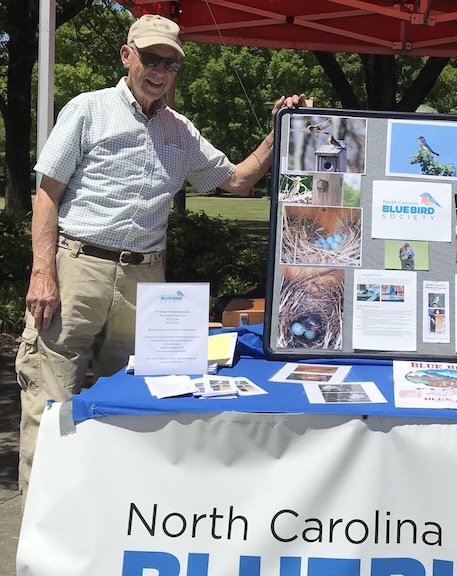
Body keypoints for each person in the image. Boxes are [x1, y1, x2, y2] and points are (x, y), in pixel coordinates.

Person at [15, 13, 307, 496]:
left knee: (131, 402)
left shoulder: (180, 130)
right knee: (52, 403)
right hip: (77, 270)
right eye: (151, 59)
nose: (159, 70)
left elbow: (234, 181)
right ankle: (40, 537)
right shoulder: (88, 109)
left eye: (170, 64)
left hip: (145, 281)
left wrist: (278, 133)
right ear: (127, 56)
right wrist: (42, 272)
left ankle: (108, 520)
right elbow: (47, 193)